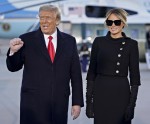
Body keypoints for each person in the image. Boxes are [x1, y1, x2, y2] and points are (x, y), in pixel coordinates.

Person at [6, 5, 84, 124]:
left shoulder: (69, 41)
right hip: (32, 104)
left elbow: (76, 74)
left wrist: (77, 102)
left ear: (57, 20)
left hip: (59, 104)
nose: (44, 21)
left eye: (48, 17)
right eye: (41, 18)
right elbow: (13, 67)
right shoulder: (26, 39)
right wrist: (13, 52)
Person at [86, 8, 141, 124]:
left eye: (117, 22)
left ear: (123, 23)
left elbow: (135, 78)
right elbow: (91, 73)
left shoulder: (131, 44)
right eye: (109, 22)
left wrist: (132, 106)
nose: (113, 25)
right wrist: (89, 102)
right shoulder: (98, 42)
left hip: (121, 93)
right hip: (100, 92)